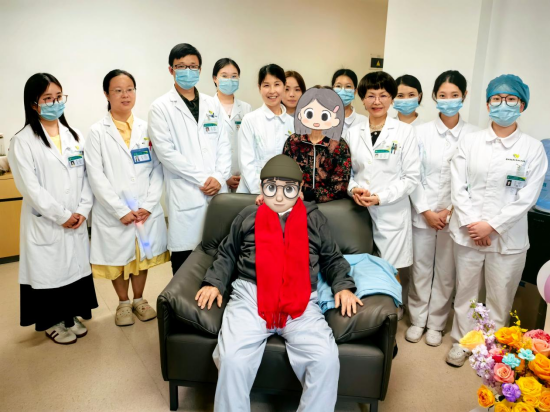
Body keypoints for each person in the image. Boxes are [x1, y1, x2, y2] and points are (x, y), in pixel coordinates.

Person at [196, 155, 361, 412]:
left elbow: (332, 258)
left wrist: (344, 286)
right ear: (262, 188)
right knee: (232, 359)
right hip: (251, 296)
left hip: (301, 299)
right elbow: (226, 253)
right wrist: (214, 283)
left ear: (300, 190)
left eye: (288, 189)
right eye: (272, 188)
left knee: (325, 360)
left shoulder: (314, 219)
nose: (280, 196)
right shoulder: (248, 215)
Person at [446, 75, 547, 367]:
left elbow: (528, 196)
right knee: (466, 292)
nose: (504, 104)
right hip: (468, 232)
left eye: (511, 99)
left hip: (508, 238)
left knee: (500, 295)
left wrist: (491, 226)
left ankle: (491, 347)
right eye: (497, 99)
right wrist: (473, 224)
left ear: (522, 105)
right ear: (488, 104)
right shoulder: (470, 142)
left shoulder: (532, 148)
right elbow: (458, 185)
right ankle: (463, 342)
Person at [8, 73, 97, 345]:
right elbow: (30, 188)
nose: (55, 103)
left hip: (76, 218)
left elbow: (88, 178)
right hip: (47, 220)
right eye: (48, 98)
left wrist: (82, 210)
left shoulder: (75, 135)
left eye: (59, 97)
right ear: (33, 103)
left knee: (74, 269)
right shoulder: (22, 141)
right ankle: (52, 322)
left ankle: (71, 316)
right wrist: (62, 215)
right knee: (50, 272)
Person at [85, 69, 170, 326]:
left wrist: (149, 205)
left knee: (141, 255)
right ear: (106, 94)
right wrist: (119, 209)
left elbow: (158, 169)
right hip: (114, 211)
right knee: (117, 259)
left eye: (130, 89)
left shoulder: (147, 128)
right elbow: (95, 175)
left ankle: (139, 300)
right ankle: (123, 303)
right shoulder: (97, 132)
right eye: (118, 90)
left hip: (144, 208)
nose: (125, 95)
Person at [406, 70, 480, 346]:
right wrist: (425, 210)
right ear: (435, 97)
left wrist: (450, 210)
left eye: (454, 95)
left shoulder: (474, 135)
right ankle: (417, 320)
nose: (448, 100)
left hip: (455, 215)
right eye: (443, 95)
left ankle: (436, 323)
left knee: (446, 272)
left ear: (464, 96)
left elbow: (471, 180)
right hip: (422, 213)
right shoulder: (419, 132)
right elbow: (412, 175)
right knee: (421, 269)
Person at [148, 43, 231, 275]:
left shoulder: (212, 104)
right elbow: (166, 153)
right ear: (171, 70)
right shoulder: (160, 107)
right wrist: (204, 179)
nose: (188, 71)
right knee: (186, 265)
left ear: (200, 69)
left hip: (217, 190)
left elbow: (224, 144)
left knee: (221, 259)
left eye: (193, 66)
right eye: (181, 66)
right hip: (186, 193)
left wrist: (219, 176)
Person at [344, 71, 420, 319]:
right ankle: (362, 319)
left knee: (390, 269)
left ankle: (390, 319)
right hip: (358, 210)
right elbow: (346, 173)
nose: (377, 101)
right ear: (362, 99)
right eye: (371, 96)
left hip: (391, 211)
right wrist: (354, 189)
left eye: (383, 95)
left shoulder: (405, 132)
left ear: (391, 99)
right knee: (361, 268)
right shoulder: (351, 132)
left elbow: (411, 177)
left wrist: (380, 197)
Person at [282, 86, 351, 202]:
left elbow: (341, 185)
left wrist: (308, 196)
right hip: (294, 202)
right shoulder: (293, 141)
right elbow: (283, 173)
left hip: (330, 206)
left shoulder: (339, 145)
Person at [237, 64, 295, 194]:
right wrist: (262, 192)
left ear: (284, 86)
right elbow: (246, 163)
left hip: (283, 195)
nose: (272, 91)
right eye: (266, 85)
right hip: (253, 193)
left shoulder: (293, 124)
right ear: (259, 88)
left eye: (277, 84)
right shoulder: (250, 120)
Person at [212, 58, 252, 192]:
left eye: (234, 76)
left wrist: (244, 174)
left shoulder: (246, 108)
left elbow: (251, 145)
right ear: (215, 78)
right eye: (224, 76)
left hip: (243, 176)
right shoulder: (206, 108)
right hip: (216, 177)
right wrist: (224, 177)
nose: (229, 80)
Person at [331, 69, 368, 136]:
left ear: (355, 91)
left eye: (348, 86)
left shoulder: (364, 121)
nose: (342, 91)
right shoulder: (322, 118)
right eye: (338, 86)